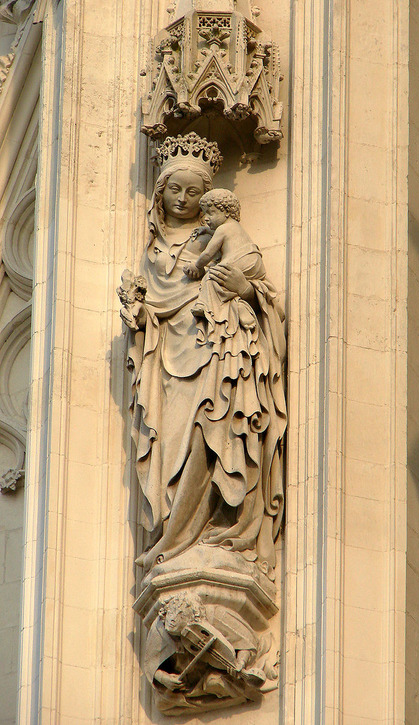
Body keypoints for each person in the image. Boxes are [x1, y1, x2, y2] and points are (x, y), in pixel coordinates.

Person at [121, 132, 286, 578]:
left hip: (214, 348)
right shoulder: (152, 249)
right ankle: (171, 539)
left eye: (194, 192)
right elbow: (153, 302)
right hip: (168, 361)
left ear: (208, 199)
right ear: (160, 192)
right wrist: (138, 311)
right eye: (174, 189)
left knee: (211, 426)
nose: (182, 199)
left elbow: (259, 288)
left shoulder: (218, 235)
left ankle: (203, 534)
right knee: (169, 443)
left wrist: (247, 291)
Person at [182, 188, 258, 338]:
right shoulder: (234, 227)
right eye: (204, 214)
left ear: (227, 212)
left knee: (211, 277)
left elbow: (208, 253)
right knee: (223, 280)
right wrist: (206, 230)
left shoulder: (222, 229)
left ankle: (204, 305)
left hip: (239, 260)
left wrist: (197, 266)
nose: (206, 218)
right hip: (253, 259)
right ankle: (239, 305)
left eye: (211, 213)